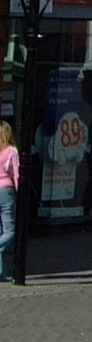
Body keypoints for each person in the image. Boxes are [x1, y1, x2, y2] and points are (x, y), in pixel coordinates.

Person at [0, 120, 17, 280]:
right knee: (10, 231)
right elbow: (17, 174)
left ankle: (0, 272)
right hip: (6, 190)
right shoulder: (11, 151)